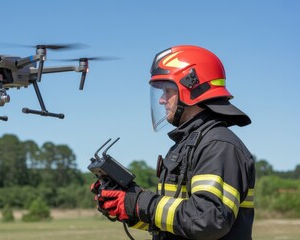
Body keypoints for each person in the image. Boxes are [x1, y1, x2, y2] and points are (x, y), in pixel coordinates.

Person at [91, 45, 255, 239]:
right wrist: (128, 205)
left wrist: (139, 202)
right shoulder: (190, 143)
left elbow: (207, 220)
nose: (161, 100)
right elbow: (174, 221)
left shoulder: (218, 145)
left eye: (168, 90)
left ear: (192, 88)